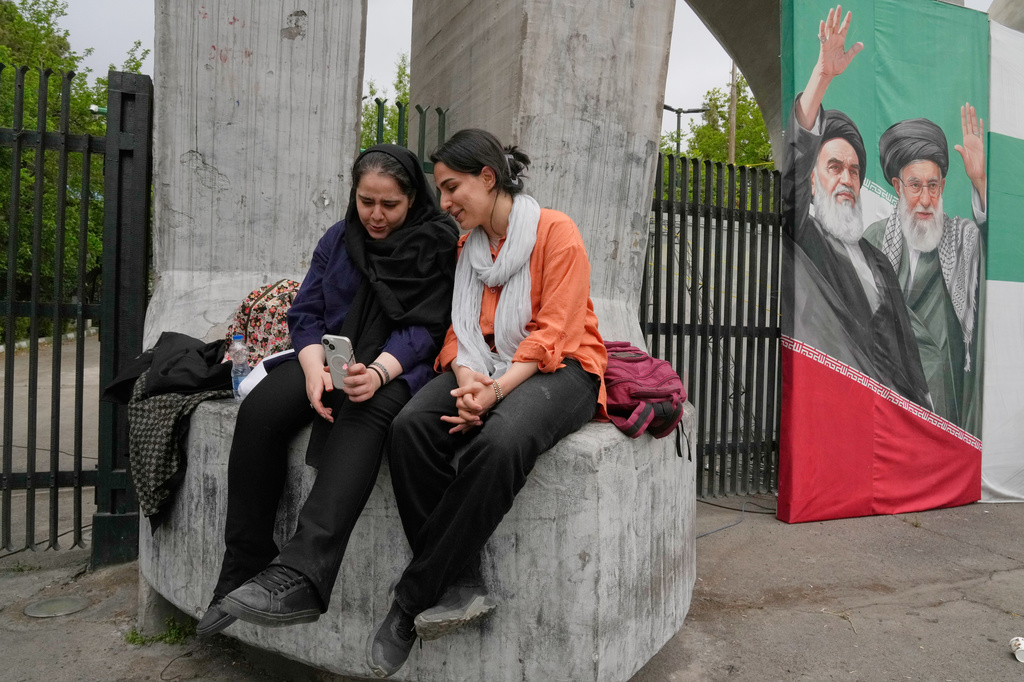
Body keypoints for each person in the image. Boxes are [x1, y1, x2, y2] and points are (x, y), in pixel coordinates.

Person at [364, 129, 608, 678]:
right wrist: (468, 377)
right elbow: (459, 331)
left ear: (489, 178)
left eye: (452, 188)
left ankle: (409, 602)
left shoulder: (555, 232)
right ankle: (461, 580)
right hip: (486, 363)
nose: (444, 202)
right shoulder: (468, 248)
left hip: (563, 368)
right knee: (409, 428)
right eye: (441, 190)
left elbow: (554, 333)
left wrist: (494, 393)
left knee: (500, 440)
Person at [196, 145, 459, 635]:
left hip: (399, 365)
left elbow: (428, 328)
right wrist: (314, 366)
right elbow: (307, 311)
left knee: (365, 412)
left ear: (412, 200)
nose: (376, 215)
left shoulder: (437, 244)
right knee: (260, 412)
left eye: (390, 205)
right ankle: (243, 564)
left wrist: (377, 372)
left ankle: (303, 572)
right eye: (366, 201)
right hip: (331, 355)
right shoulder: (339, 239)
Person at [782, 4, 929, 409]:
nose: (846, 178)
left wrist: (922, 406)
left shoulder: (878, 262)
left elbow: (907, 355)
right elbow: (791, 178)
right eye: (834, 167)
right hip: (835, 407)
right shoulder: (806, 240)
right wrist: (822, 76)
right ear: (813, 179)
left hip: (891, 414)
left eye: (853, 170)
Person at [862, 112, 985, 434]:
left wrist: (980, 183)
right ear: (897, 186)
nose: (926, 200)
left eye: (933, 186)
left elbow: (997, 252)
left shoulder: (961, 238)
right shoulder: (873, 239)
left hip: (943, 397)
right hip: (889, 390)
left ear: (942, 186)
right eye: (915, 186)